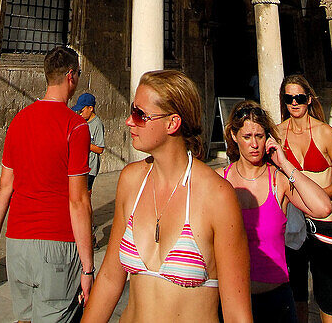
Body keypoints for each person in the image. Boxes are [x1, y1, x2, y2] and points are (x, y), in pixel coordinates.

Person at [81, 69, 254, 323]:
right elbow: (109, 277)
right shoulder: (131, 181)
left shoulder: (217, 196)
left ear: (172, 123)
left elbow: (237, 314)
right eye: (132, 110)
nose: (129, 121)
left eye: (140, 115)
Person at [0, 45, 94, 323]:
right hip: (57, 243)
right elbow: (78, 201)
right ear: (71, 76)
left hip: (17, 243)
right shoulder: (76, 127)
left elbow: (5, 186)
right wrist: (87, 268)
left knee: (24, 319)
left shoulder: (18, 122)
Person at [220, 100, 332, 322]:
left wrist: (285, 163)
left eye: (259, 137)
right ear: (234, 136)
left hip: (276, 300)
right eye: (247, 137)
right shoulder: (220, 181)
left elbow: (323, 207)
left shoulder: (278, 180)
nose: (254, 144)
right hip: (232, 301)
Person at [278, 73, 332, 323]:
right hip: (292, 225)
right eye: (289, 98)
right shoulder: (278, 135)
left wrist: (318, 196)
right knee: (296, 299)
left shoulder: (324, 132)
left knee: (331, 305)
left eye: (299, 97)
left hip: (324, 224)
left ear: (309, 99)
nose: (294, 102)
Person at [74, 92, 105, 192]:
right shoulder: (82, 121)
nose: (80, 114)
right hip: (80, 165)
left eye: (82, 111)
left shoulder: (97, 124)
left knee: (85, 193)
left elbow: (100, 149)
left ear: (90, 108)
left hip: (90, 167)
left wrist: (83, 142)